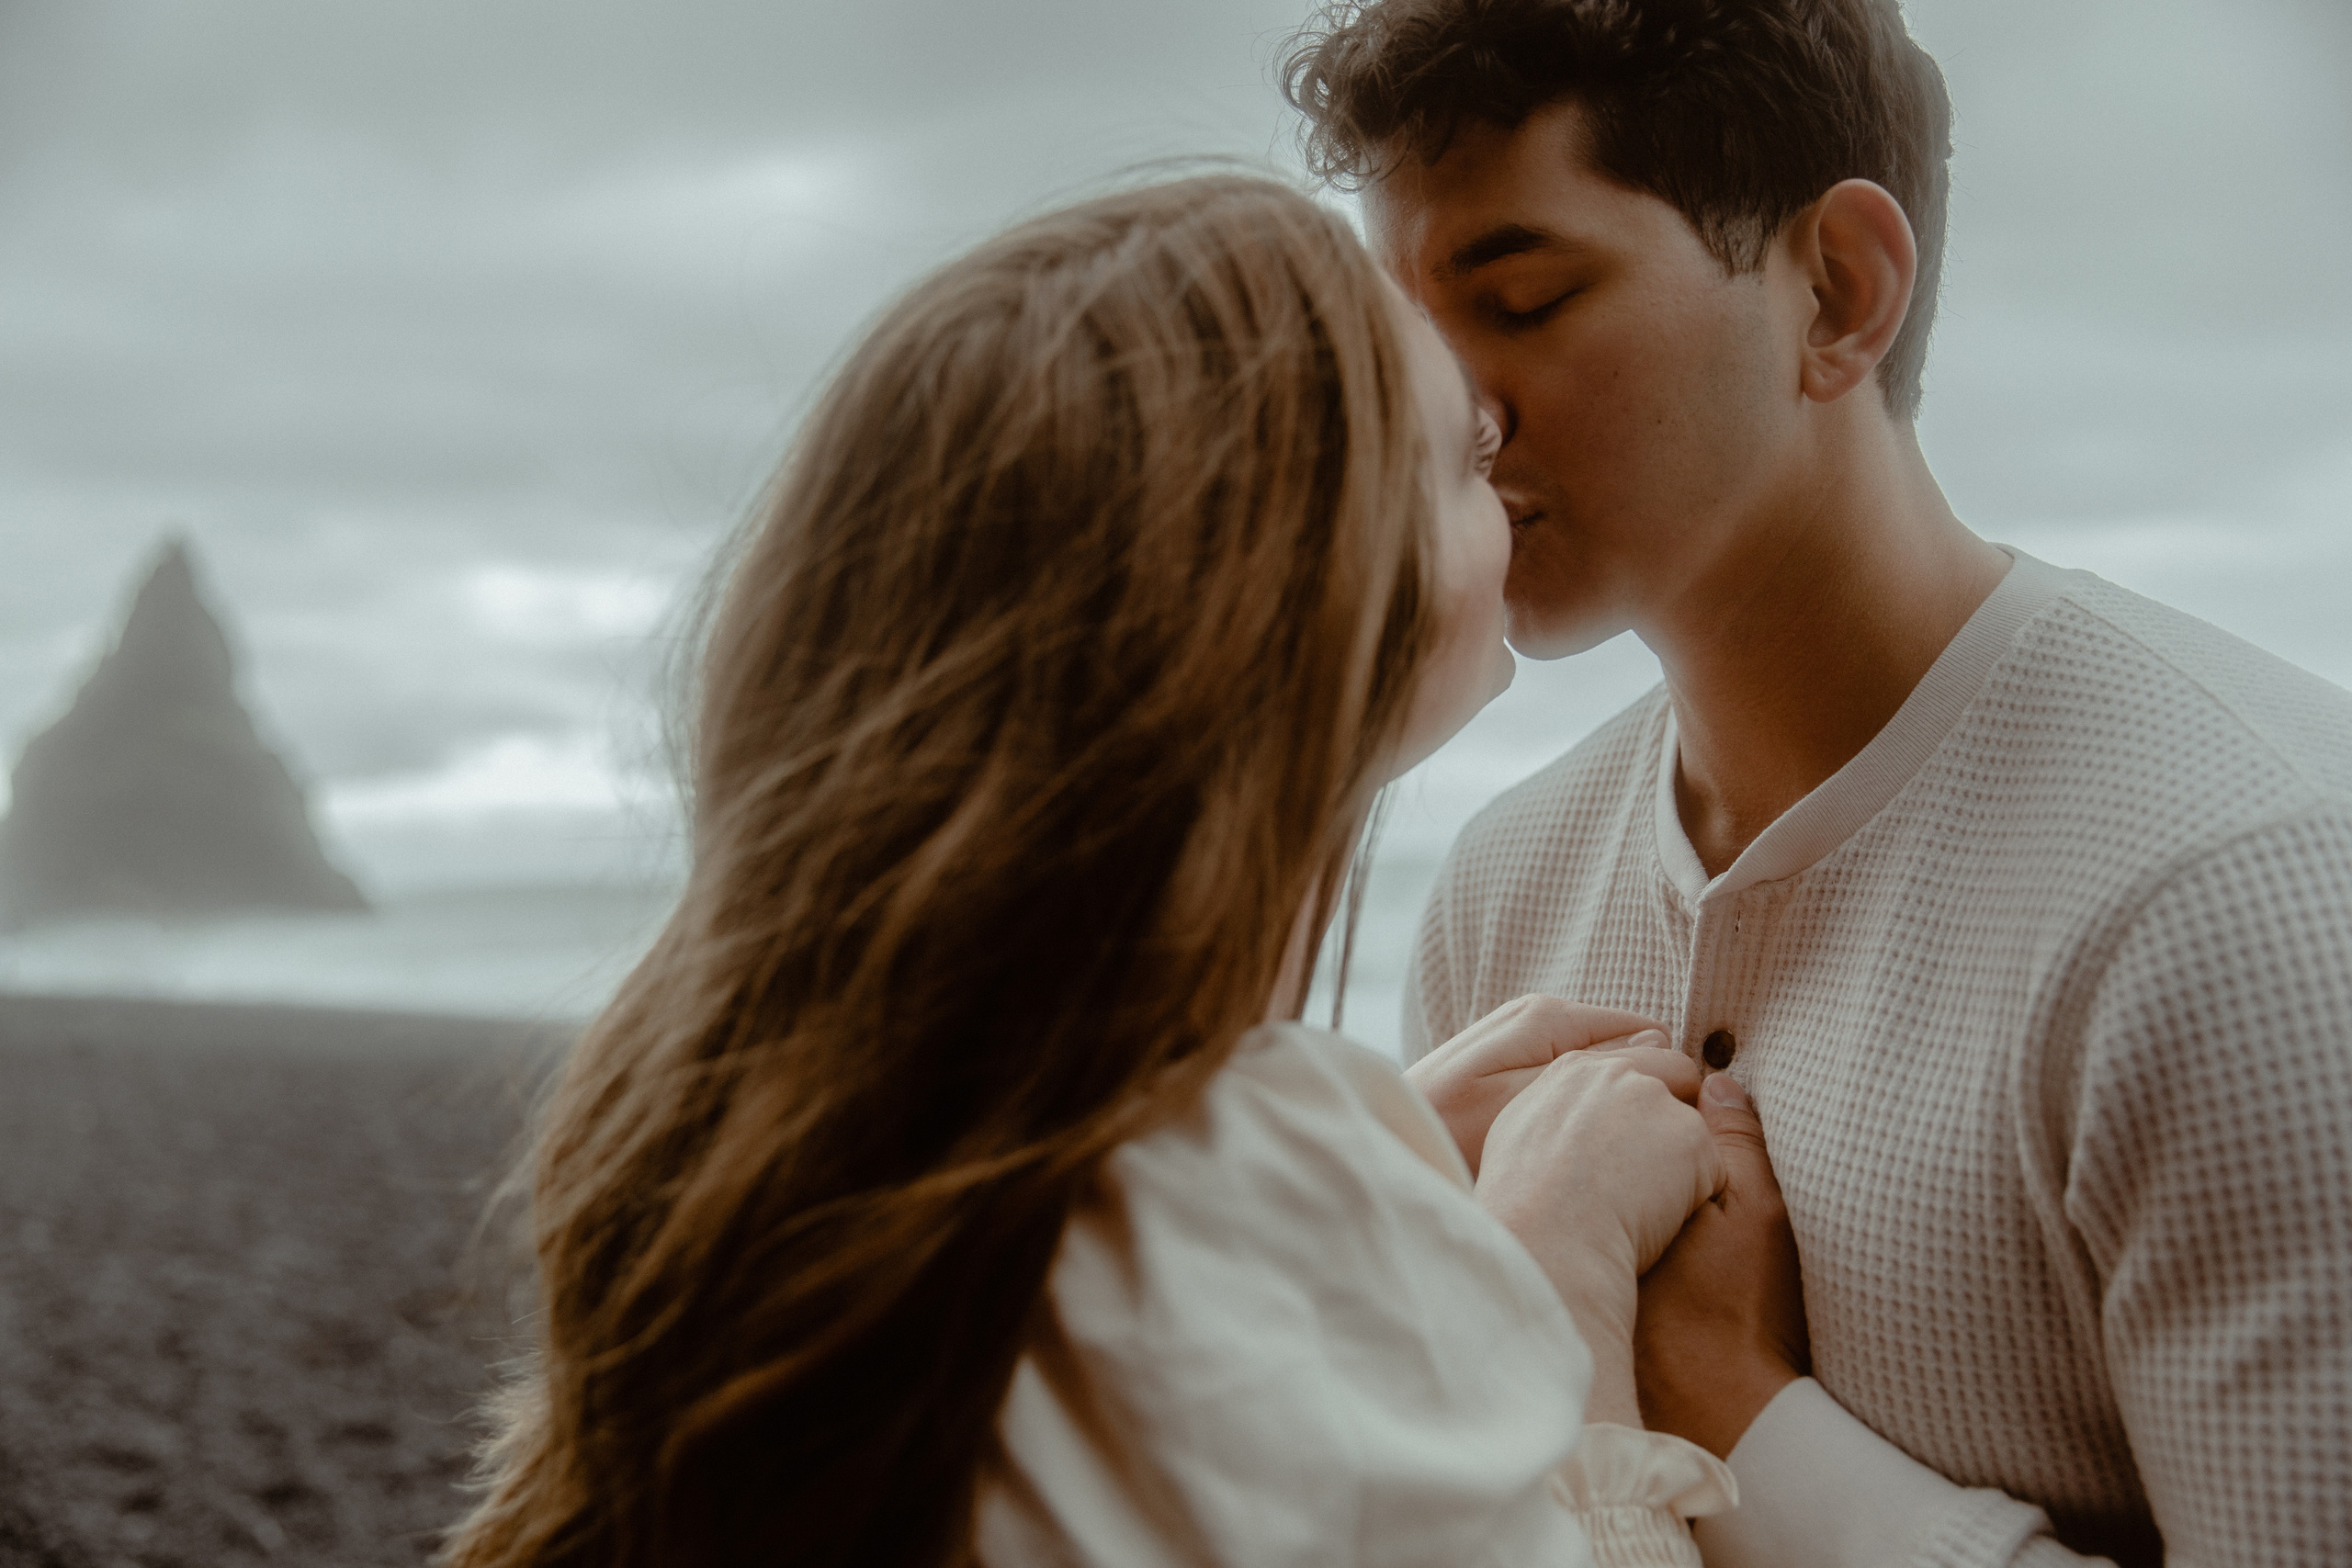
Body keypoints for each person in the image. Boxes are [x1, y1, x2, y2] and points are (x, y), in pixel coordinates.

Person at [443, 174, 1756, 1568]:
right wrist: (1552, 1276)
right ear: (1291, 598)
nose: (1505, 481)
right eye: (1457, 456)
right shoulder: (1240, 1185)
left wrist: (1379, 1197)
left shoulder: (793, 1141)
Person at [1283, 1, 2352, 1564]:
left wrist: (1732, 1409)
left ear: (1839, 294)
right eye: (1405, 332)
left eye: (1520, 297)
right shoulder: (1504, 893)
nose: (1444, 410)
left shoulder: (2240, 894)